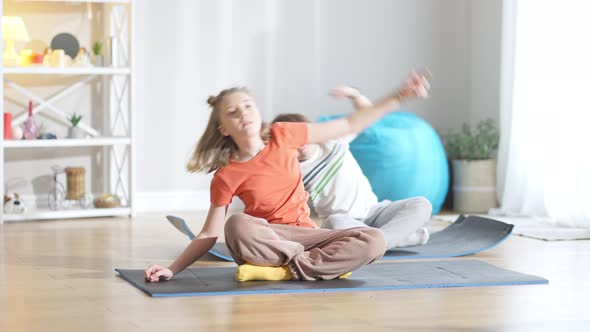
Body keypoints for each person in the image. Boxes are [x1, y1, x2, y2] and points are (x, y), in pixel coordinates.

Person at [144, 71, 431, 283]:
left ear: (258, 112)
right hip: (269, 239)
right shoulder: (226, 175)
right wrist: (173, 268)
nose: (243, 113)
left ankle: (285, 271)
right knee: (237, 224)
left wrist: (399, 95)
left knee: (374, 241)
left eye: (247, 105)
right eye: (232, 112)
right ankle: (317, 266)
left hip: (308, 235)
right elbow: (209, 234)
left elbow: (349, 123)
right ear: (224, 129)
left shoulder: (285, 134)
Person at [272, 86, 432, 251]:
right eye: (290, 141)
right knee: (333, 223)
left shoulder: (333, 141)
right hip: (343, 221)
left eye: (301, 136)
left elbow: (366, 114)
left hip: (375, 210)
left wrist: (354, 95)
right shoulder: (292, 170)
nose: (299, 144)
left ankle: (379, 242)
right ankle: (395, 238)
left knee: (421, 204)